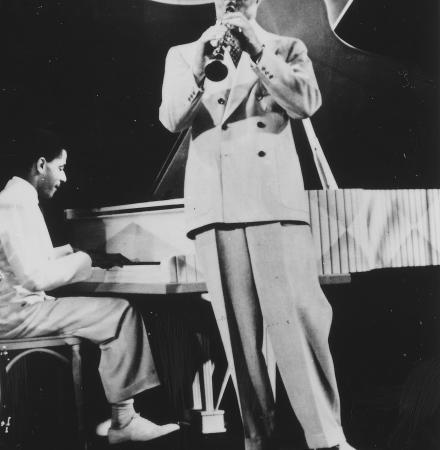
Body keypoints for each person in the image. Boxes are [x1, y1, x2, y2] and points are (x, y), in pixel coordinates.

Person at [158, 1, 354, 449]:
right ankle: (256, 438)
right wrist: (201, 64)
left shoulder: (285, 48)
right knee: (238, 334)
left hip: (272, 203)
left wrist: (256, 49)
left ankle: (327, 437)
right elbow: (171, 118)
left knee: (299, 324)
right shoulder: (183, 54)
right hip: (217, 205)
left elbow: (306, 103)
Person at [0, 129, 178, 444]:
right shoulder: (17, 205)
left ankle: (118, 417)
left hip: (11, 310)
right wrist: (88, 258)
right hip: (19, 315)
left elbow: (26, 261)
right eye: (61, 167)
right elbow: (36, 278)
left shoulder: (6, 201)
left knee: (112, 312)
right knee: (121, 312)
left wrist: (75, 253)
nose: (65, 177)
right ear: (41, 165)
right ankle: (123, 420)